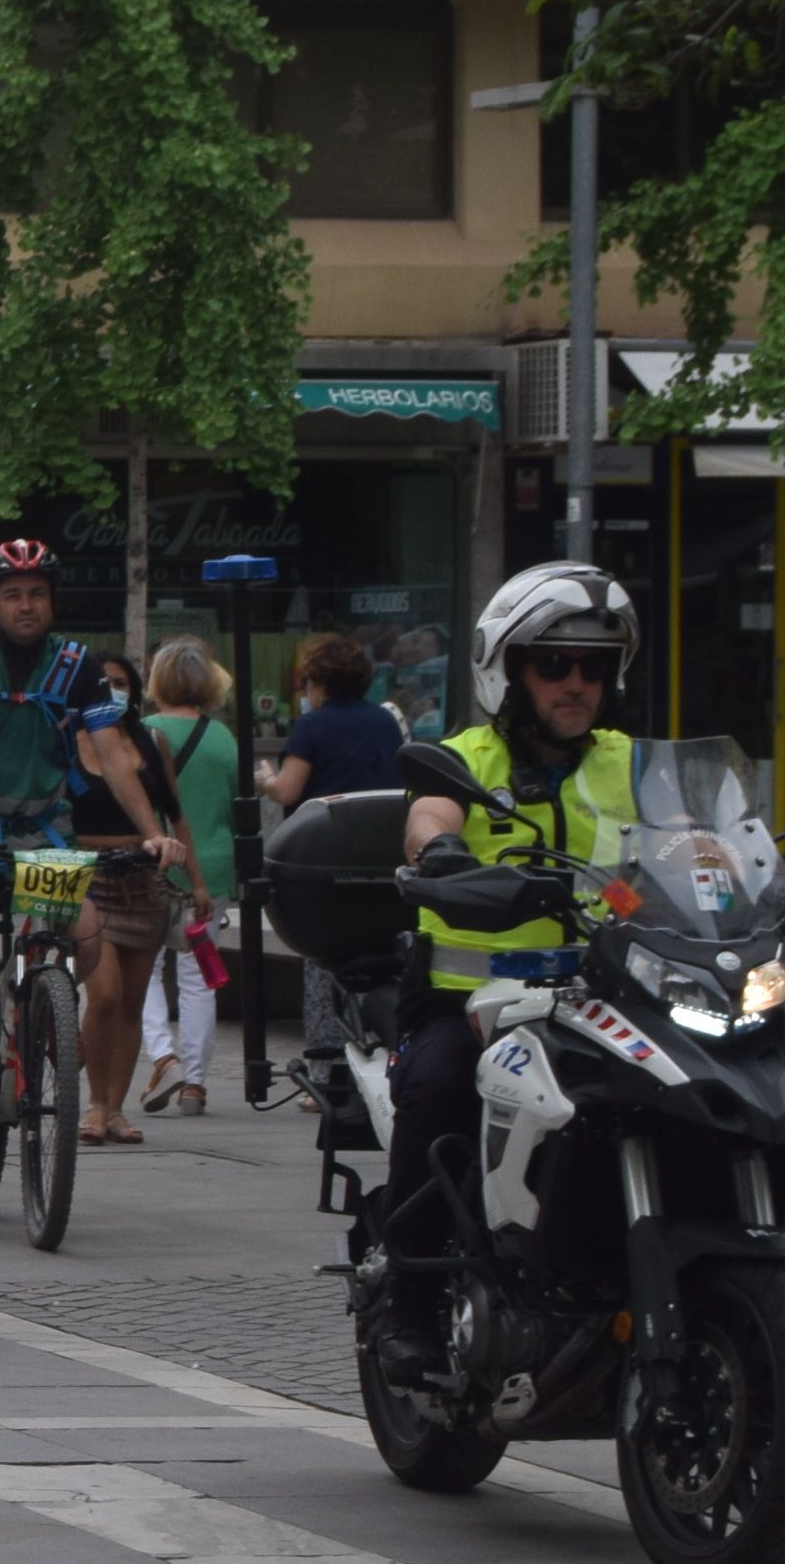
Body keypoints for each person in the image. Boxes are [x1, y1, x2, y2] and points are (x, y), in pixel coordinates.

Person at [377, 565, 640, 1366]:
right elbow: (426, 815)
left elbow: (696, 842)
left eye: (593, 667)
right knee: (438, 1090)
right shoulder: (464, 758)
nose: (575, 684)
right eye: (553, 664)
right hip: (470, 1001)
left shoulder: (631, 762)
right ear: (509, 670)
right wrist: (442, 851)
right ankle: (408, 1301)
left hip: (603, 1001)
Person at [0, 534, 182, 1186]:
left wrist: (152, 833)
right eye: (12, 595)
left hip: (45, 842)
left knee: (92, 954)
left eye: (36, 594)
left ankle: (47, 1035)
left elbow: (113, 756)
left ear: (51, 600)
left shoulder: (80, 667)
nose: (25, 605)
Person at [267, 629, 409, 1053]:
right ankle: (379, 1051)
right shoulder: (385, 721)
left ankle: (328, 1063)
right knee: (382, 962)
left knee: (323, 964)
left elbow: (289, 791)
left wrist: (265, 782)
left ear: (320, 683)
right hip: (384, 854)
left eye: (306, 684)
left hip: (324, 860)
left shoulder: (312, 726)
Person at [67, 652, 186, 1147]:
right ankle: (94, 1103)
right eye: (103, 683)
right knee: (106, 994)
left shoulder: (151, 741)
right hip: (89, 877)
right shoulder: (66, 743)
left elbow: (175, 816)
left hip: (143, 876)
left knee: (132, 1005)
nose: (112, 691)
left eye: (121, 683)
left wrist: (196, 883)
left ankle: (115, 1108)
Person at [134, 639, 244, 1114]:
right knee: (199, 974)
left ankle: (164, 1056)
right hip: (213, 864)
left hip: (155, 861)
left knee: (145, 968)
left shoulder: (145, 731)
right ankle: (196, 1083)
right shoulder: (222, 738)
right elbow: (234, 806)